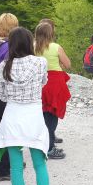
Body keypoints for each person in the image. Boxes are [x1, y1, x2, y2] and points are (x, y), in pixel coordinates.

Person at [0, 27, 65, 185]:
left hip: (12, 118)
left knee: (16, 167)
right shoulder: (40, 62)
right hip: (33, 117)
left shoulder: (4, 66)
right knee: (39, 164)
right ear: (29, 43)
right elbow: (43, 83)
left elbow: (1, 95)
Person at [0, 13, 19, 181]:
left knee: (6, 129)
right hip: (4, 94)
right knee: (10, 130)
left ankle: (9, 163)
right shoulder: (9, 47)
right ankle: (2, 169)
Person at [35, 22, 71, 160]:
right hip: (54, 83)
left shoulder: (32, 47)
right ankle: (49, 147)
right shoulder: (56, 47)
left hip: (39, 83)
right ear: (51, 33)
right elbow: (68, 64)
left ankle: (43, 144)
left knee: (42, 114)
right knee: (52, 115)